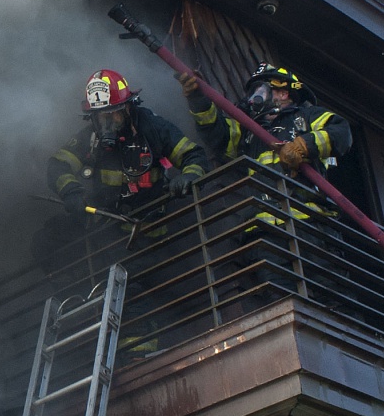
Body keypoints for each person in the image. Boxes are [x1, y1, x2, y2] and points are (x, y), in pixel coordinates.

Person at [177, 62, 353, 306]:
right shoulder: (250, 131)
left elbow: (341, 132)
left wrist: (303, 146)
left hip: (311, 227)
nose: (255, 97)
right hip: (265, 235)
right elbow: (217, 135)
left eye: (262, 89)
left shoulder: (305, 116)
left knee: (334, 298)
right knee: (280, 303)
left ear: (283, 92)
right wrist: (198, 98)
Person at [37, 68, 207, 260]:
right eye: (102, 116)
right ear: (92, 116)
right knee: (44, 242)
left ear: (127, 107)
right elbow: (58, 165)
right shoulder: (91, 137)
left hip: (150, 233)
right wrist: (71, 191)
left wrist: (189, 176)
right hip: (106, 230)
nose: (107, 123)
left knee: (141, 278)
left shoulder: (151, 127)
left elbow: (194, 155)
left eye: (113, 113)